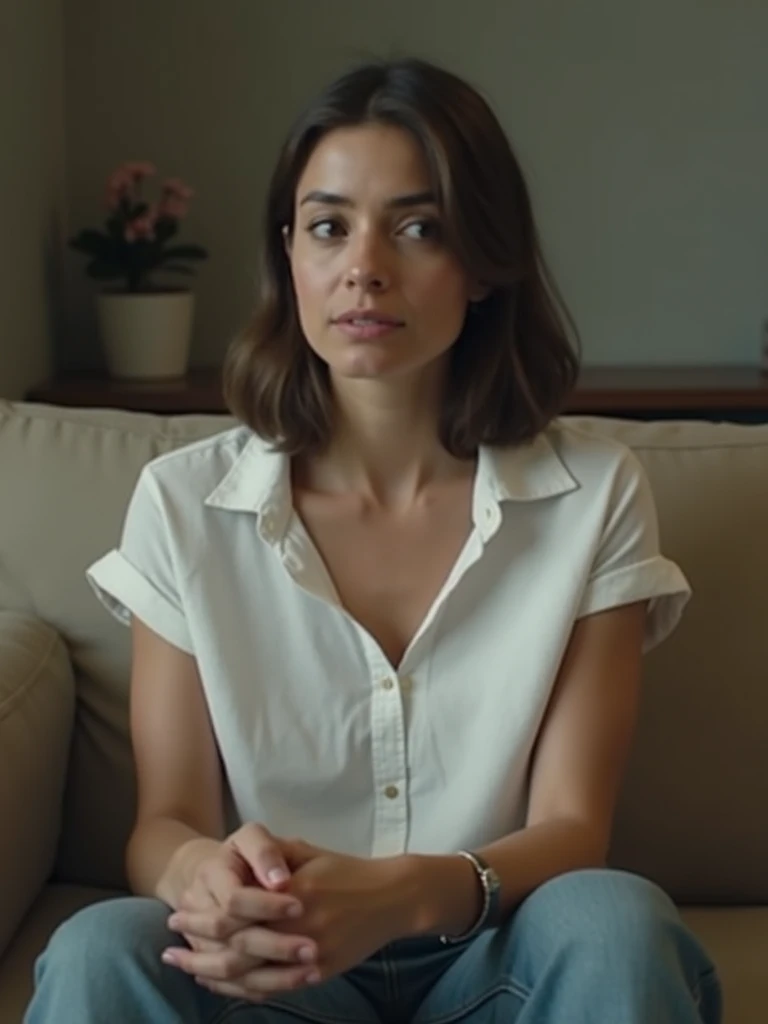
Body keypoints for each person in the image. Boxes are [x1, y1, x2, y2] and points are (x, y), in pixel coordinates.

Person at [26, 57, 722, 1024]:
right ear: (291, 257)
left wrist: (398, 894)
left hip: (497, 960)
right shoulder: (184, 503)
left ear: (482, 262)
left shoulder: (592, 495)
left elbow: (573, 826)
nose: (364, 266)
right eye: (329, 226)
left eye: (419, 227)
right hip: (275, 972)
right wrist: (208, 875)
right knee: (101, 945)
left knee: (614, 921)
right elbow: (165, 822)